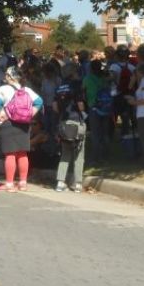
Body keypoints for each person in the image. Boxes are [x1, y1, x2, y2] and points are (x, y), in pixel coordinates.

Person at [0, 66, 43, 192]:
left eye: (6, 75)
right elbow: (39, 101)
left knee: (10, 154)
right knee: (22, 153)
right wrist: (30, 113)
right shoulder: (26, 89)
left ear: (10, 76)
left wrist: (0, 113)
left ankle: (9, 184)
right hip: (24, 124)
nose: (5, 77)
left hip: (8, 123)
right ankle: (23, 183)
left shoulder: (3, 88)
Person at [54, 63, 87, 192]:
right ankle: (77, 183)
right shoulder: (77, 85)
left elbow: (55, 106)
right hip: (76, 121)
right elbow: (80, 103)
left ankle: (60, 182)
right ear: (73, 72)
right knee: (79, 154)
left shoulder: (60, 87)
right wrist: (84, 112)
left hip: (63, 122)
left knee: (65, 153)